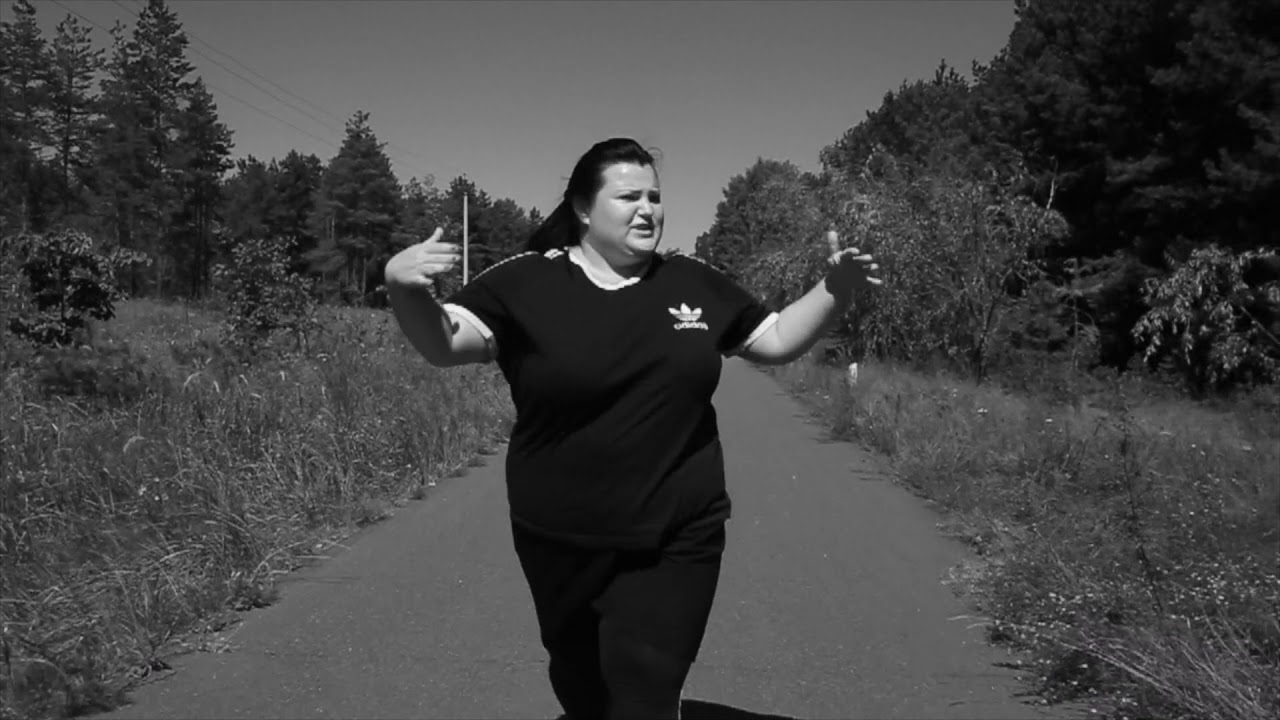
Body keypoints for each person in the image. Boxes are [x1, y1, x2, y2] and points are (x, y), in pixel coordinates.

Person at [384, 138, 880, 720]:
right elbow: (444, 344)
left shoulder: (692, 281)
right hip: (558, 537)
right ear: (583, 208)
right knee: (583, 690)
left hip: (677, 533)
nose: (647, 210)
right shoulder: (525, 282)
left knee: (645, 691)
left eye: (655, 197)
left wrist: (834, 290)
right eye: (628, 197)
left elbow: (772, 340)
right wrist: (403, 288)